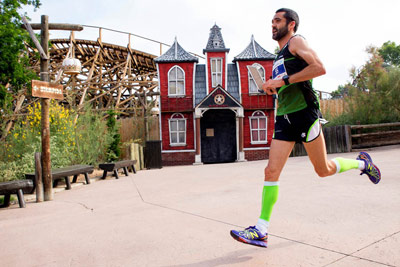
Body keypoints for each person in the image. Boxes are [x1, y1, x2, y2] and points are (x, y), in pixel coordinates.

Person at [230, 8, 381, 248]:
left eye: (277, 20)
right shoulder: (279, 55)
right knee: (271, 172)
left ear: (291, 24)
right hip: (284, 117)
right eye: (271, 21)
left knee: (323, 169)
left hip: (304, 115)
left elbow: (319, 68)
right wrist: (274, 87)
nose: (273, 24)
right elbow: (287, 83)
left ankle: (363, 164)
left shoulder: (296, 42)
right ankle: (261, 229)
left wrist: (283, 81)